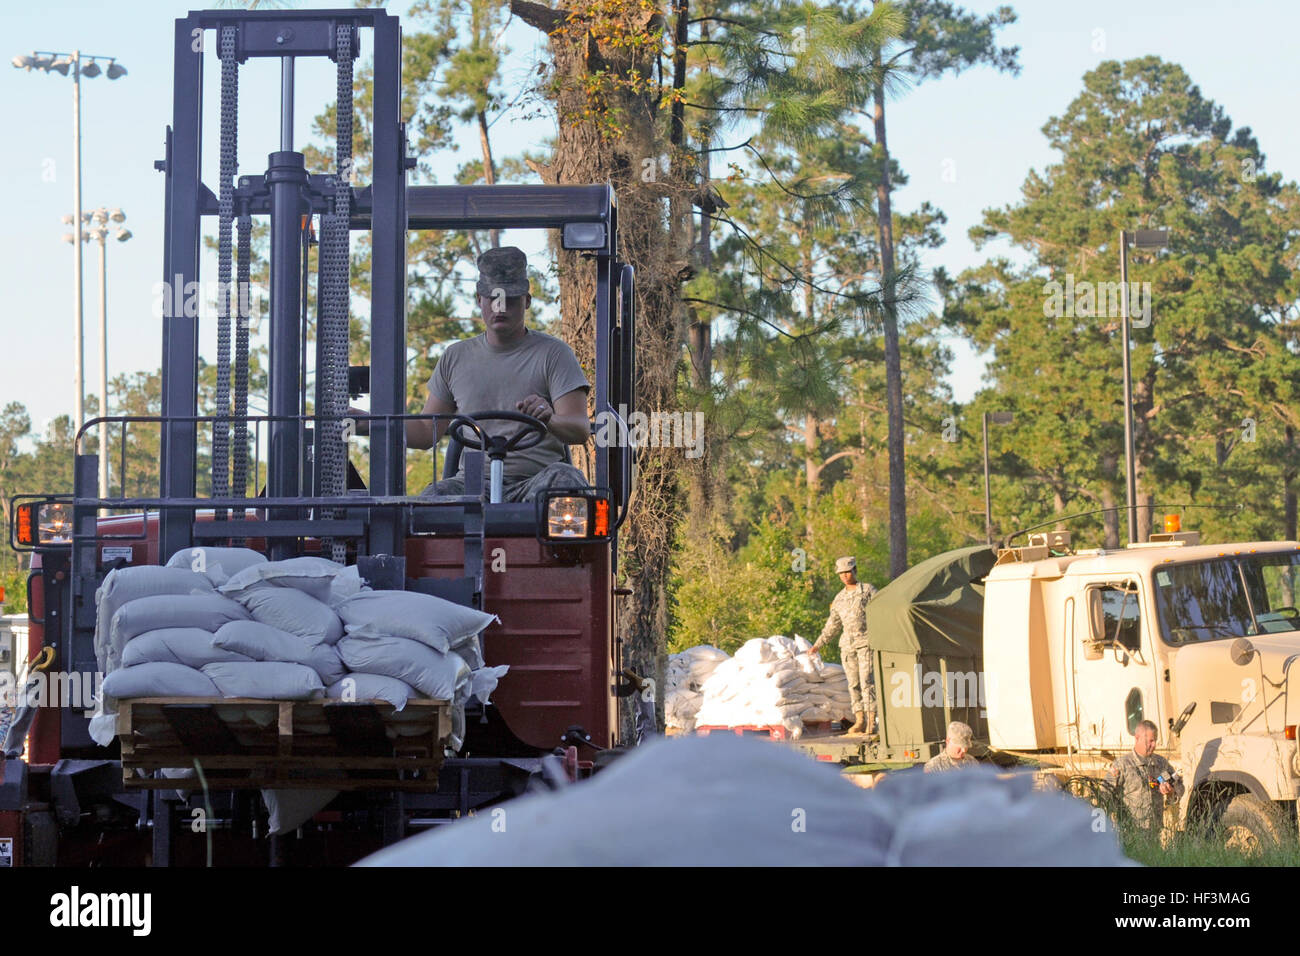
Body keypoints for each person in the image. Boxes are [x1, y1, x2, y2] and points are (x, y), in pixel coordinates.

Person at [386, 245, 592, 501]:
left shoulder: (554, 354)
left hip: (535, 484)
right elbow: (426, 431)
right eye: (493, 298)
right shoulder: (455, 357)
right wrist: (369, 425)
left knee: (567, 481)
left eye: (511, 299)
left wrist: (549, 418)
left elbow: (579, 429)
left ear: (526, 301)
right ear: (479, 299)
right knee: (434, 498)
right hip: (472, 484)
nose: (500, 307)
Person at [807, 556, 878, 736]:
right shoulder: (839, 599)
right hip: (848, 646)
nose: (845, 576)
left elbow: (881, 613)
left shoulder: (868, 591)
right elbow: (833, 625)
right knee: (853, 684)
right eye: (841, 574)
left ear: (855, 570)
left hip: (866, 643)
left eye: (847, 572)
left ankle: (871, 720)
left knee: (867, 682)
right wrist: (818, 645)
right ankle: (859, 719)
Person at [1105, 719, 1184, 831]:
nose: (1154, 745)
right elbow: (1104, 794)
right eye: (1150, 741)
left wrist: (1171, 792)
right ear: (1137, 738)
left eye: (1155, 741)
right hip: (1131, 833)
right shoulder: (1122, 765)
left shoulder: (1161, 764)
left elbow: (1179, 785)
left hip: (1155, 831)